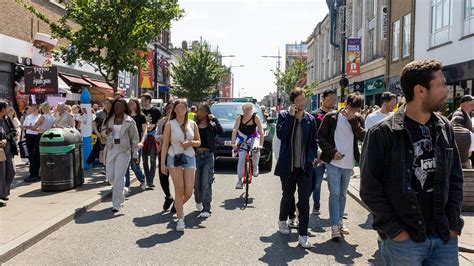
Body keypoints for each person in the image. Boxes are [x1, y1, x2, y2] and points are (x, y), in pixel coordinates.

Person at [360, 60, 464, 265]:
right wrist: (396, 231)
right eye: (441, 84)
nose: (446, 90)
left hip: (444, 237)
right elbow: (370, 189)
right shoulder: (382, 133)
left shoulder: (445, 127)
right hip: (404, 242)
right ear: (420, 90)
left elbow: (455, 178)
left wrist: (453, 225)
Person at [275, 87, 318, 249]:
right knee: (287, 196)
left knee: (305, 200)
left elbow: (314, 142)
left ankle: (303, 235)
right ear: (293, 101)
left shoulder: (310, 119)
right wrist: (292, 117)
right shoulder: (284, 116)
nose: (302, 102)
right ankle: (282, 221)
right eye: (299, 100)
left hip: (305, 167)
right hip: (288, 166)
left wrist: (313, 157)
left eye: (303, 99)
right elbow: (281, 135)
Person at [318, 92, 365, 241]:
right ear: (345, 104)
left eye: (356, 109)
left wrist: (353, 121)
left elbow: (363, 136)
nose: (352, 111)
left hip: (348, 163)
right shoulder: (331, 117)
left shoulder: (357, 119)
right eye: (351, 108)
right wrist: (332, 152)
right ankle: (335, 226)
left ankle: (339, 221)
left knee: (343, 194)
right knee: (335, 193)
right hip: (333, 162)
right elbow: (320, 137)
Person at [160, 99, 201, 232]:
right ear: (175, 109)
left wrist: (190, 143)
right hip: (174, 157)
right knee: (179, 189)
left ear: (187, 109)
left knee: (188, 191)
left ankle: (178, 206)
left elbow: (198, 142)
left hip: (189, 156)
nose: (182, 109)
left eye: (184, 107)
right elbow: (165, 144)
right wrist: (162, 163)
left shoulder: (193, 124)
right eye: (179, 107)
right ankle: (180, 219)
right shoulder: (169, 124)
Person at [101, 99, 139, 212]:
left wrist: (135, 153)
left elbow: (135, 138)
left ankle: (116, 204)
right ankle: (123, 189)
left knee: (118, 177)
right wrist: (106, 132)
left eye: (120, 106)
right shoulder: (109, 119)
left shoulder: (130, 121)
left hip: (124, 150)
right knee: (111, 176)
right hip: (111, 148)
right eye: (116, 106)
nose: (118, 108)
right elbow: (102, 132)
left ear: (124, 108)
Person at [194, 104, 223, 218]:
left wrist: (215, 119)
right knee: (196, 184)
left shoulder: (212, 126)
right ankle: (198, 199)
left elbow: (221, 132)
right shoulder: (194, 125)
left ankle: (207, 209)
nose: (198, 112)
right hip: (196, 155)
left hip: (208, 156)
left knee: (206, 183)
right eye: (198, 110)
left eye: (200, 110)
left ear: (206, 112)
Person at [311, 89, 336, 215]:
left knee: (334, 184)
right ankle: (316, 205)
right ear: (323, 98)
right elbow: (311, 135)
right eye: (330, 98)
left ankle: (336, 210)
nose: (332, 100)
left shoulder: (337, 115)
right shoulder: (314, 115)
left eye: (334, 98)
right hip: (319, 154)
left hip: (333, 154)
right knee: (317, 181)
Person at [231, 102, 264, 189]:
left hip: (253, 137)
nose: (246, 112)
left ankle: (255, 166)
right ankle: (239, 180)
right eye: (245, 110)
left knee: (255, 150)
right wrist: (233, 143)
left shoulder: (255, 117)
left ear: (251, 110)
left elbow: (261, 131)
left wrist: (261, 145)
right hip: (242, 138)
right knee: (241, 159)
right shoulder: (240, 118)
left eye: (248, 110)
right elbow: (234, 130)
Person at [21, 102, 55, 182]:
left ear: (43, 108)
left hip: (40, 135)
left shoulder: (43, 117)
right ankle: (40, 174)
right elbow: (52, 127)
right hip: (48, 135)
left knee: (35, 156)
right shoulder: (52, 117)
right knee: (44, 155)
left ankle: (34, 175)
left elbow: (34, 127)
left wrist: (27, 126)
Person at [155, 101, 175, 211]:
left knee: (178, 178)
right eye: (170, 108)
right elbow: (156, 135)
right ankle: (168, 196)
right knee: (163, 176)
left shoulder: (182, 122)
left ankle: (178, 201)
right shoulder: (162, 121)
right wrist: (163, 137)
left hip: (178, 152)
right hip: (163, 151)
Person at [125, 98, 147, 192]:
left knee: (134, 165)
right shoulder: (125, 116)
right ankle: (127, 186)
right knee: (125, 165)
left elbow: (144, 131)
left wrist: (141, 142)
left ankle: (142, 179)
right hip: (125, 144)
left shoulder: (141, 116)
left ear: (137, 105)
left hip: (136, 143)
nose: (130, 106)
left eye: (132, 104)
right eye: (129, 104)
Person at [141, 93, 162, 188]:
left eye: (143, 100)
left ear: (148, 101)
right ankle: (147, 177)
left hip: (153, 137)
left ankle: (150, 180)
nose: (142, 102)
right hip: (143, 138)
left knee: (153, 160)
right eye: (141, 100)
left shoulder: (156, 111)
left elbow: (161, 121)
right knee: (144, 161)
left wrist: (155, 125)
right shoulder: (140, 111)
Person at [0, 100, 18, 206]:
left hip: (8, 150)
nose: (9, 109)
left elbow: (13, 131)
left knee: (12, 171)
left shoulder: (7, 119)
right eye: (6, 107)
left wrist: (6, 139)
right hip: (0, 151)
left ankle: (3, 192)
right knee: (1, 174)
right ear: (2, 109)